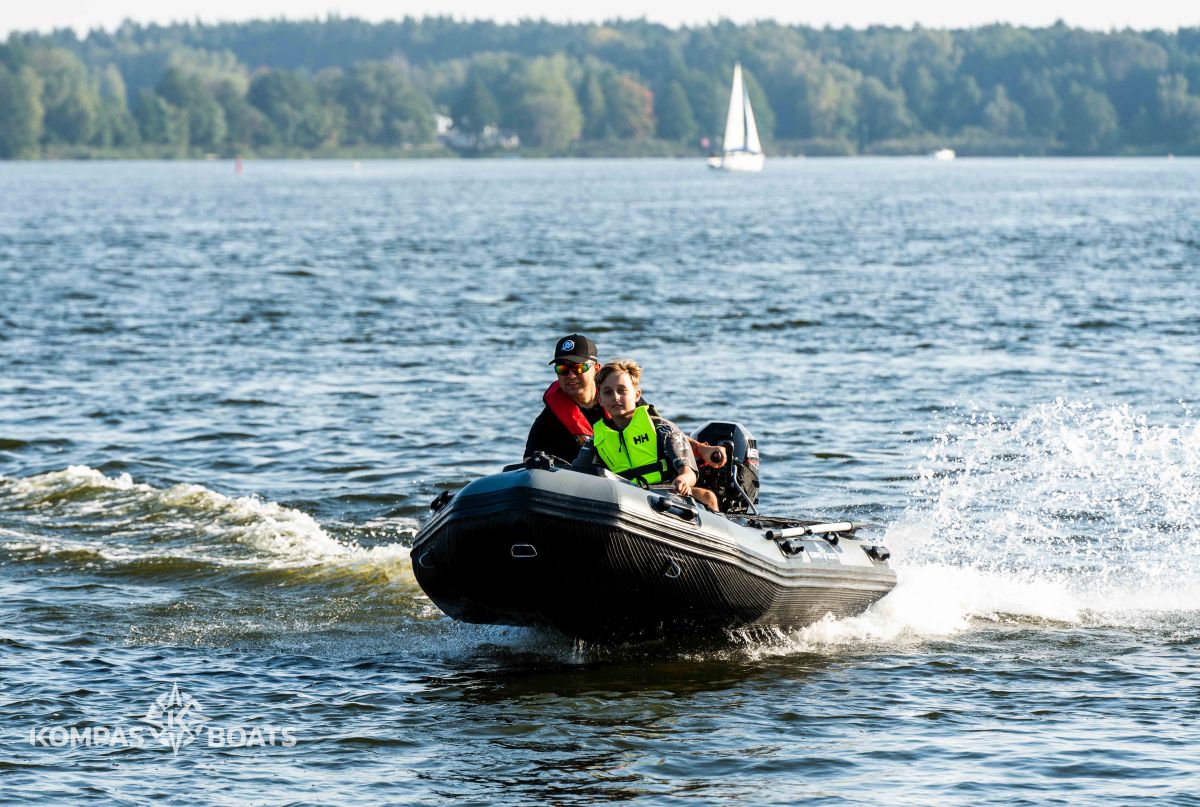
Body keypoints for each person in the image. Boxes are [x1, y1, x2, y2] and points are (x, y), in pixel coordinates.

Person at [573, 360, 721, 512]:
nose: (615, 397)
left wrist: (683, 480)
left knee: (707, 497)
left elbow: (688, 472)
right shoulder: (596, 441)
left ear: (637, 395)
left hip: (668, 496)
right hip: (625, 502)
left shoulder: (662, 429)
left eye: (622, 390)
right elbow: (575, 475)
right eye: (608, 392)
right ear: (600, 400)